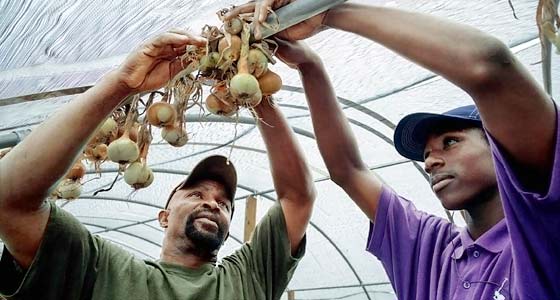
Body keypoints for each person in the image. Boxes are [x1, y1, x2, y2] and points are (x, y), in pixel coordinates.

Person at [226, 1, 560, 299]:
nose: (430, 161)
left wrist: (328, 12)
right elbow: (348, 170)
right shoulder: (431, 248)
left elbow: (490, 67)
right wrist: (309, 65)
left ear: (499, 150)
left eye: (450, 142)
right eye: (426, 153)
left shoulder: (540, 234)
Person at [0, 29, 316, 300]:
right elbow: (9, 201)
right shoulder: (102, 269)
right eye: (196, 194)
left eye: (224, 203)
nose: (212, 204)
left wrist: (257, 92)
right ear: (163, 217)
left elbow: (298, 197)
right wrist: (122, 85)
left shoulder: (249, 278)